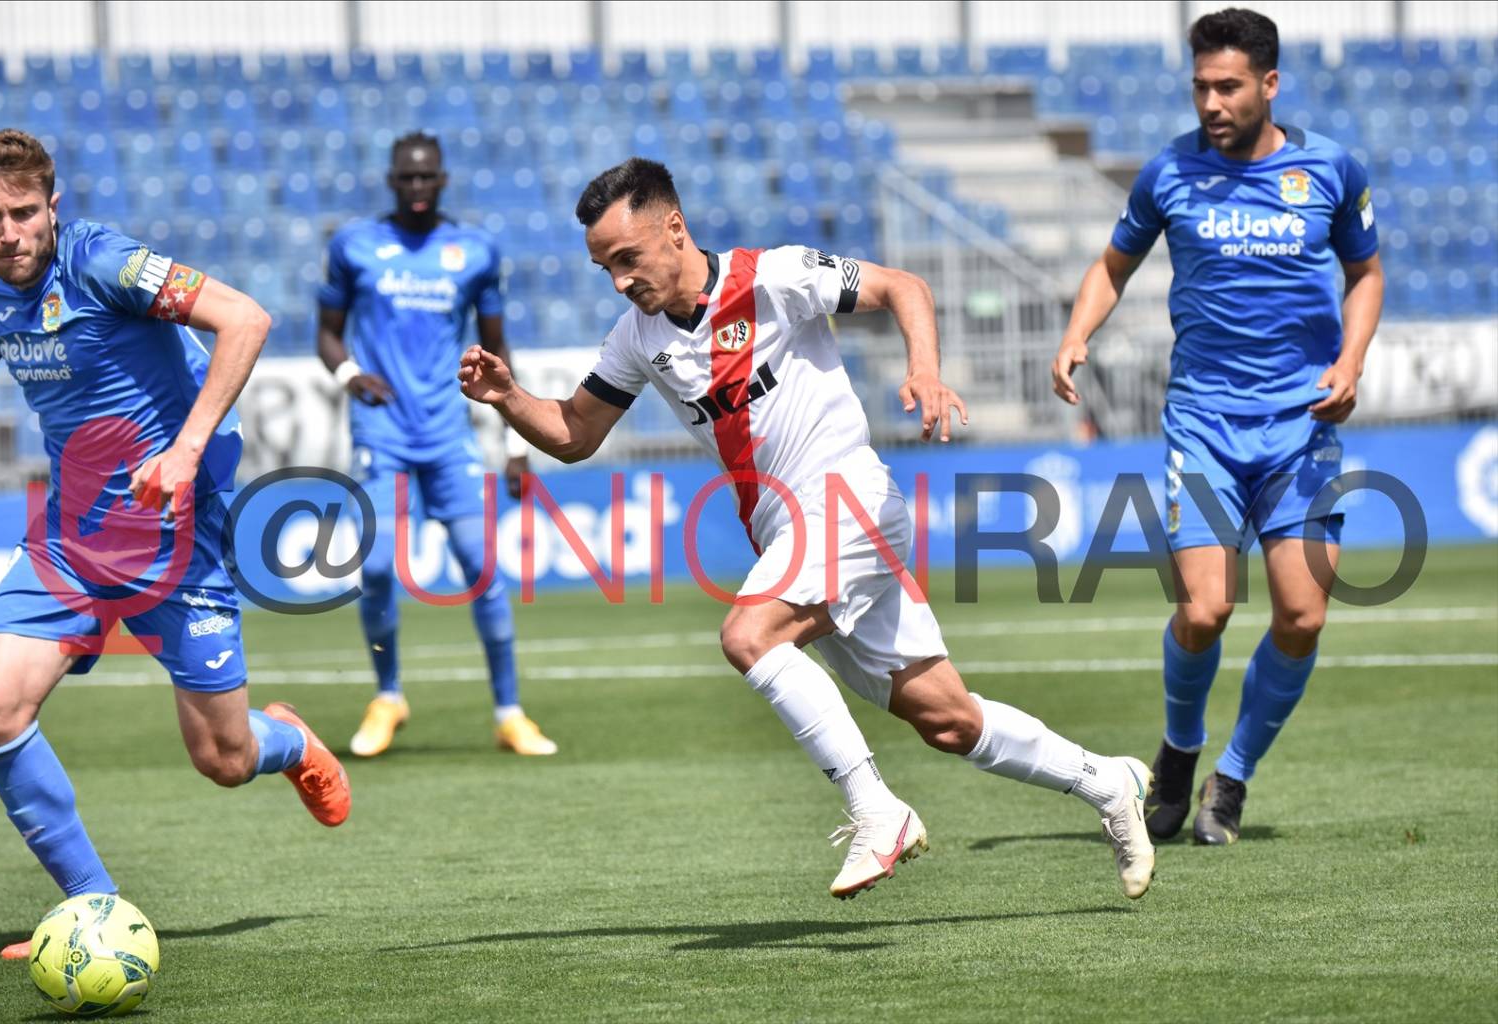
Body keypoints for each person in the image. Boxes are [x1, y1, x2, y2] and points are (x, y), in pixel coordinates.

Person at [459, 157, 1155, 900]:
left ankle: (876, 812)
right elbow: (573, 432)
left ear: (674, 228)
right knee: (948, 720)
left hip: (848, 503)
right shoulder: (636, 339)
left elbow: (902, 287)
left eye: (627, 259)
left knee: (747, 636)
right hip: (794, 538)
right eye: (604, 267)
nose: (620, 280)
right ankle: (1106, 782)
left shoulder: (773, 277)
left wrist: (924, 370)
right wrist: (506, 397)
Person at [0, 129, 351, 958]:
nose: (7, 233)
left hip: (177, 540)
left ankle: (288, 740)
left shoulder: (102, 263)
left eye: (21, 213)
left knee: (223, 759)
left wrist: (185, 450)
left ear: (53, 206)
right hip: (72, 542)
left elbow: (245, 319)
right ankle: (94, 911)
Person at [1051, 8, 1383, 845]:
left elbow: (1366, 272)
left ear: (1268, 84)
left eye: (1227, 86)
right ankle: (1177, 754)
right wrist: (1075, 332)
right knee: (1204, 611)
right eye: (1200, 86)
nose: (1210, 102)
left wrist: (1349, 362)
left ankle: (1229, 777)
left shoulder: (1329, 171)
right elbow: (1111, 265)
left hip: (1300, 425)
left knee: (1302, 615)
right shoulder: (1168, 174)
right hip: (1203, 425)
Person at [317, 131, 556, 758]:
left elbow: (498, 351)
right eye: (407, 179)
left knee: (481, 568)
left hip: (449, 434)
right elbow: (328, 334)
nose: (417, 188)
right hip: (382, 431)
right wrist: (349, 375)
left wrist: (517, 442)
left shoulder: (474, 251)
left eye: (427, 179)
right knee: (373, 568)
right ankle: (389, 696)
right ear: (392, 181)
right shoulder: (354, 246)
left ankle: (509, 713)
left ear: (443, 181)